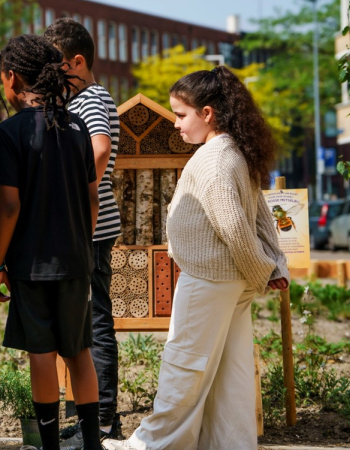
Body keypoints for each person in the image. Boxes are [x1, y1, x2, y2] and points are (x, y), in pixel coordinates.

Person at [103, 66, 289, 450]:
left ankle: (148, 446)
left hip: (210, 279)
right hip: (229, 279)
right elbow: (260, 217)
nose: (175, 124)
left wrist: (264, 270)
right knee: (229, 372)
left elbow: (238, 227)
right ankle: (231, 445)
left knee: (183, 365)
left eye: (181, 114)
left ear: (208, 114)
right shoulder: (233, 152)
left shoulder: (215, 161)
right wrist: (271, 266)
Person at [0, 34, 103, 449]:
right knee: (79, 350)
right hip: (76, 258)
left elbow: (10, 207)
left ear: (12, 78)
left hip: (31, 263)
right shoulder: (78, 127)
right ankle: (92, 443)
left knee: (41, 353)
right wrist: (81, 244)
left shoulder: (11, 132)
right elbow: (92, 198)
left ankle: (50, 445)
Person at [46, 19, 126, 440]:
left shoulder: (92, 98)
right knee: (83, 324)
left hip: (90, 229)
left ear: (76, 62)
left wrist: (73, 196)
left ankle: (105, 419)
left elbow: (99, 150)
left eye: (57, 70)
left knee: (94, 323)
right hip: (88, 226)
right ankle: (91, 417)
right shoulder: (83, 99)